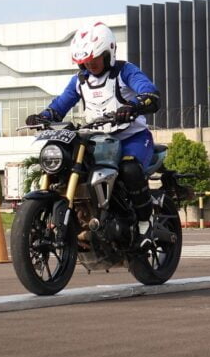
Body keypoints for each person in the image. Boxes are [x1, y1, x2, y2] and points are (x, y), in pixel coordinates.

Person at [25, 22, 160, 244]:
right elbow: (60, 104)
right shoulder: (80, 80)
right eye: (85, 61)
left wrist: (133, 105)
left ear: (109, 53)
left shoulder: (125, 72)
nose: (90, 64)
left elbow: (149, 91)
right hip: (98, 142)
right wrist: (44, 116)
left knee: (129, 169)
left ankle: (145, 223)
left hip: (132, 138)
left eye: (95, 58)